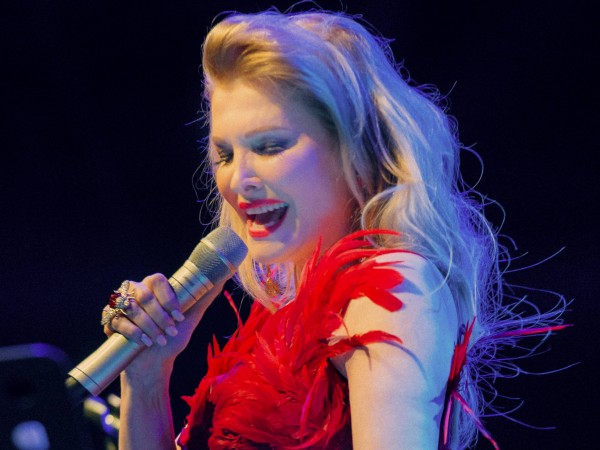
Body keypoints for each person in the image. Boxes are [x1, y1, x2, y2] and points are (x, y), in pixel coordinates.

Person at [101, 9, 566, 450]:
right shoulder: (279, 322)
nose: (237, 180)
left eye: (270, 146)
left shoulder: (391, 288)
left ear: (352, 150)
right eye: (224, 155)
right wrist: (146, 379)